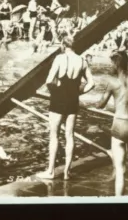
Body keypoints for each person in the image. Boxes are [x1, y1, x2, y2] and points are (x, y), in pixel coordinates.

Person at [38, 36, 95, 180]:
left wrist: (55, 92)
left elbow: (49, 81)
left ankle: (50, 171)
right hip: (73, 100)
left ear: (63, 45)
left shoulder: (59, 58)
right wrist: (79, 92)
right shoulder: (82, 61)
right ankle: (66, 173)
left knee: (54, 135)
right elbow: (92, 83)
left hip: (58, 99)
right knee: (69, 135)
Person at [94, 50, 128, 195]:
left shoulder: (112, 82)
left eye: (111, 64)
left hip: (119, 124)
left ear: (116, 64)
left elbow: (101, 104)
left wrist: (93, 105)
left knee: (120, 169)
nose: (111, 67)